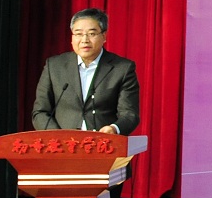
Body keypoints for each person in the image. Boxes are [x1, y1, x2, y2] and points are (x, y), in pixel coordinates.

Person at [32, 8, 140, 137]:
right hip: (62, 145)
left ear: (104, 36)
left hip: (103, 143)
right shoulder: (54, 66)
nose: (84, 40)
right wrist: (58, 136)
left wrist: (114, 128)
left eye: (91, 34)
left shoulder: (122, 68)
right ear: (72, 37)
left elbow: (129, 114)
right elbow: (40, 112)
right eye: (78, 34)